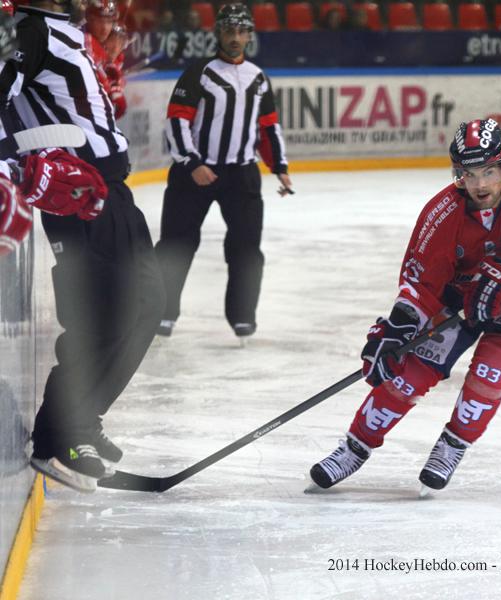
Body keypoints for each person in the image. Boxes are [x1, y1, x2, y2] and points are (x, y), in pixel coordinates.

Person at [309, 118, 501, 494]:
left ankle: (452, 445)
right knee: (411, 370)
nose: (480, 184)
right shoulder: (442, 212)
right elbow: (420, 280)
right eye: (469, 174)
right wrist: (398, 328)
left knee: (493, 367)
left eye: (488, 172)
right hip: (462, 293)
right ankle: (354, 447)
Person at [0, 0, 166, 493]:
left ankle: (84, 417)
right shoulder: (30, 30)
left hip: (111, 188)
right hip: (76, 192)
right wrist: (15, 168)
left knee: (148, 303)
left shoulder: (63, 30)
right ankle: (59, 436)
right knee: (103, 312)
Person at [154, 3, 292, 341]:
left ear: (249, 35)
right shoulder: (199, 72)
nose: (235, 38)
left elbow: (268, 128)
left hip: (241, 176)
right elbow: (177, 120)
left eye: (241, 32)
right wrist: (192, 163)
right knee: (176, 245)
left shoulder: (258, 78)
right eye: (229, 31)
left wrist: (279, 168)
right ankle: (161, 313)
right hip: (194, 174)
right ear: (219, 33)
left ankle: (242, 318)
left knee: (247, 250)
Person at [84, 0, 128, 119]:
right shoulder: (85, 39)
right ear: (89, 19)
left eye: (109, 22)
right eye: (100, 21)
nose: (105, 28)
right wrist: (113, 90)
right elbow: (98, 74)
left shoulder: (104, 42)